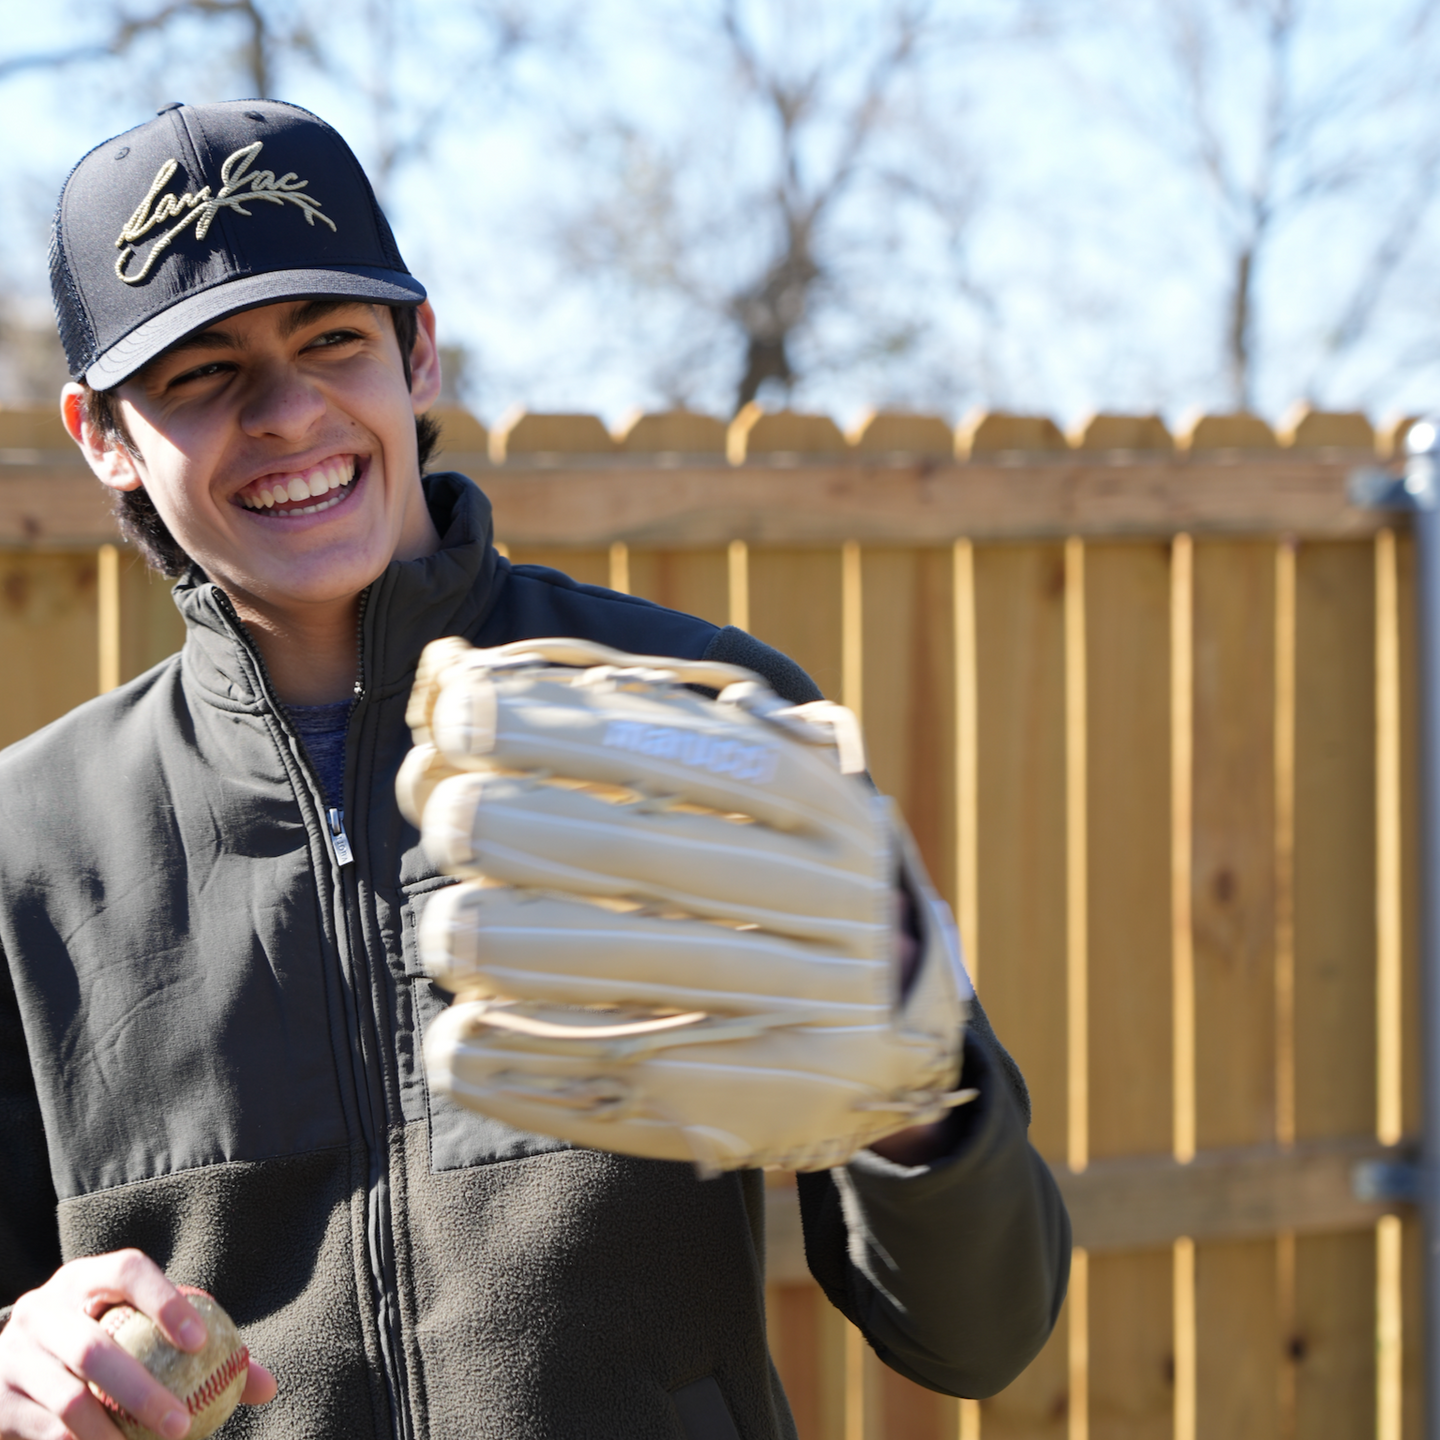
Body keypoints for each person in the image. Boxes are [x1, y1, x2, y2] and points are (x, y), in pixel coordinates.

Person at [0, 100, 1069, 1440]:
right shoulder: (30, 847)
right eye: (201, 375)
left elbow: (983, 1332)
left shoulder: (698, 728)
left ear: (420, 354)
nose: (286, 414)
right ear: (102, 434)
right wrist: (17, 1357)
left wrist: (913, 1089)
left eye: (330, 341)